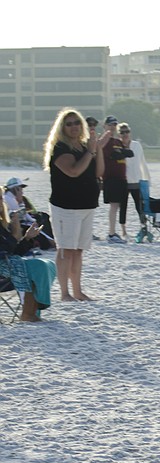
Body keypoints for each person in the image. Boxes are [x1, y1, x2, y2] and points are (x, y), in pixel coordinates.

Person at [44, 108, 104, 302]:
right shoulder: (61, 148)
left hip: (86, 205)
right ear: (62, 128)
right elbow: (74, 171)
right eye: (68, 124)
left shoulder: (84, 147)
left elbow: (99, 172)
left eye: (77, 123)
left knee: (78, 250)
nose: (73, 127)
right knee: (66, 249)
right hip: (66, 207)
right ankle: (64, 293)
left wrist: (98, 149)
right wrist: (90, 151)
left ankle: (78, 291)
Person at [0, 188, 55, 322]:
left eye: (0, 199)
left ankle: (30, 312)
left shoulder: (1, 225)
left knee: (47, 265)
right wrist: (16, 231)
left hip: (8, 264)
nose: (1, 202)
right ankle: (29, 314)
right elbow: (5, 251)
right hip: (3, 269)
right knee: (37, 267)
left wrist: (27, 238)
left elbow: (12, 252)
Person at [118, 123, 151, 240]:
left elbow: (142, 163)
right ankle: (123, 231)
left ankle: (144, 228)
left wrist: (147, 179)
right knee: (123, 207)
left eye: (127, 132)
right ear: (119, 134)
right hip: (122, 181)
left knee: (140, 206)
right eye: (122, 132)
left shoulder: (136, 145)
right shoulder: (117, 146)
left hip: (136, 181)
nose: (125, 134)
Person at [101, 115, 130, 243]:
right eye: (110, 125)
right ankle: (111, 233)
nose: (112, 127)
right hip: (110, 177)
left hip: (121, 177)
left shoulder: (118, 142)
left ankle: (115, 232)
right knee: (113, 205)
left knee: (118, 205)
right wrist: (122, 153)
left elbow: (128, 153)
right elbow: (113, 155)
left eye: (114, 125)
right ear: (105, 126)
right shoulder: (104, 141)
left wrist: (126, 144)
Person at [4, 177, 54, 251]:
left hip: (20, 222)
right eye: (20, 189)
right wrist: (20, 202)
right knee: (37, 226)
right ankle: (52, 242)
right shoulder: (9, 198)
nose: (22, 191)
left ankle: (52, 240)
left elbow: (23, 213)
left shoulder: (11, 197)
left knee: (42, 218)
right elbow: (21, 215)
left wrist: (33, 220)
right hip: (17, 224)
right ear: (16, 189)